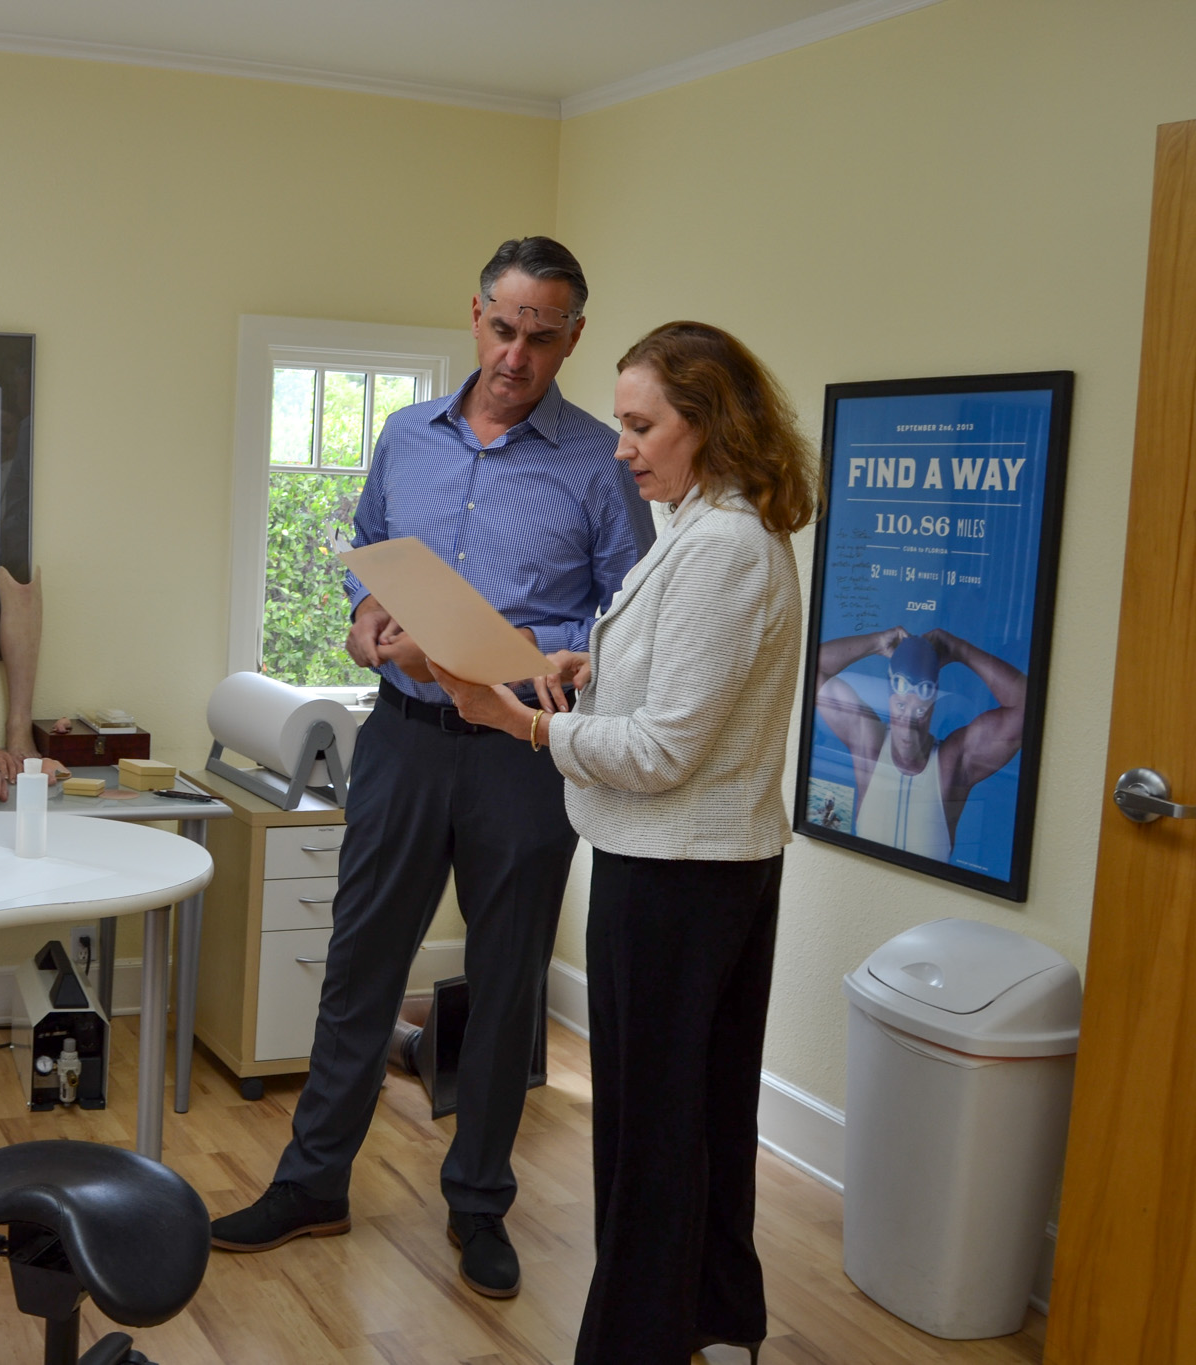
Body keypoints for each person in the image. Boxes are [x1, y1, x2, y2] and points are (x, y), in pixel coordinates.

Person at [209, 237, 652, 1300]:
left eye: (541, 337)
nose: (515, 355)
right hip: (402, 741)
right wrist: (366, 618)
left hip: (522, 756)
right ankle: (312, 1183)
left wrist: (539, 651)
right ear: (475, 315)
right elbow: (369, 551)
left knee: (504, 985)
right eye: (502, 328)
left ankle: (478, 1203)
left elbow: (628, 618)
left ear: (572, 339)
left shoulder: (602, 464)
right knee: (359, 966)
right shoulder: (405, 437)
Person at [434, 321, 819, 1363]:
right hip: (707, 871)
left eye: (643, 426)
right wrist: (588, 669)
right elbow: (687, 693)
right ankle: (717, 1325)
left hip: (675, 877)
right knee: (701, 1118)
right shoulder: (711, 527)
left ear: (709, 425)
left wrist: (517, 721)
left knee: (650, 1135)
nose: (621, 447)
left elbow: (661, 752)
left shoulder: (721, 547)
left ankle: (635, 1342)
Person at [814, 625, 1027, 856]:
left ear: (933, 707)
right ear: (889, 701)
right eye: (901, 706)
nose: (908, 726)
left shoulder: (951, 766)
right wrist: (877, 643)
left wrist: (958, 649)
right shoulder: (869, 745)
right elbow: (812, 667)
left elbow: (1026, 707)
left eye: (920, 711)